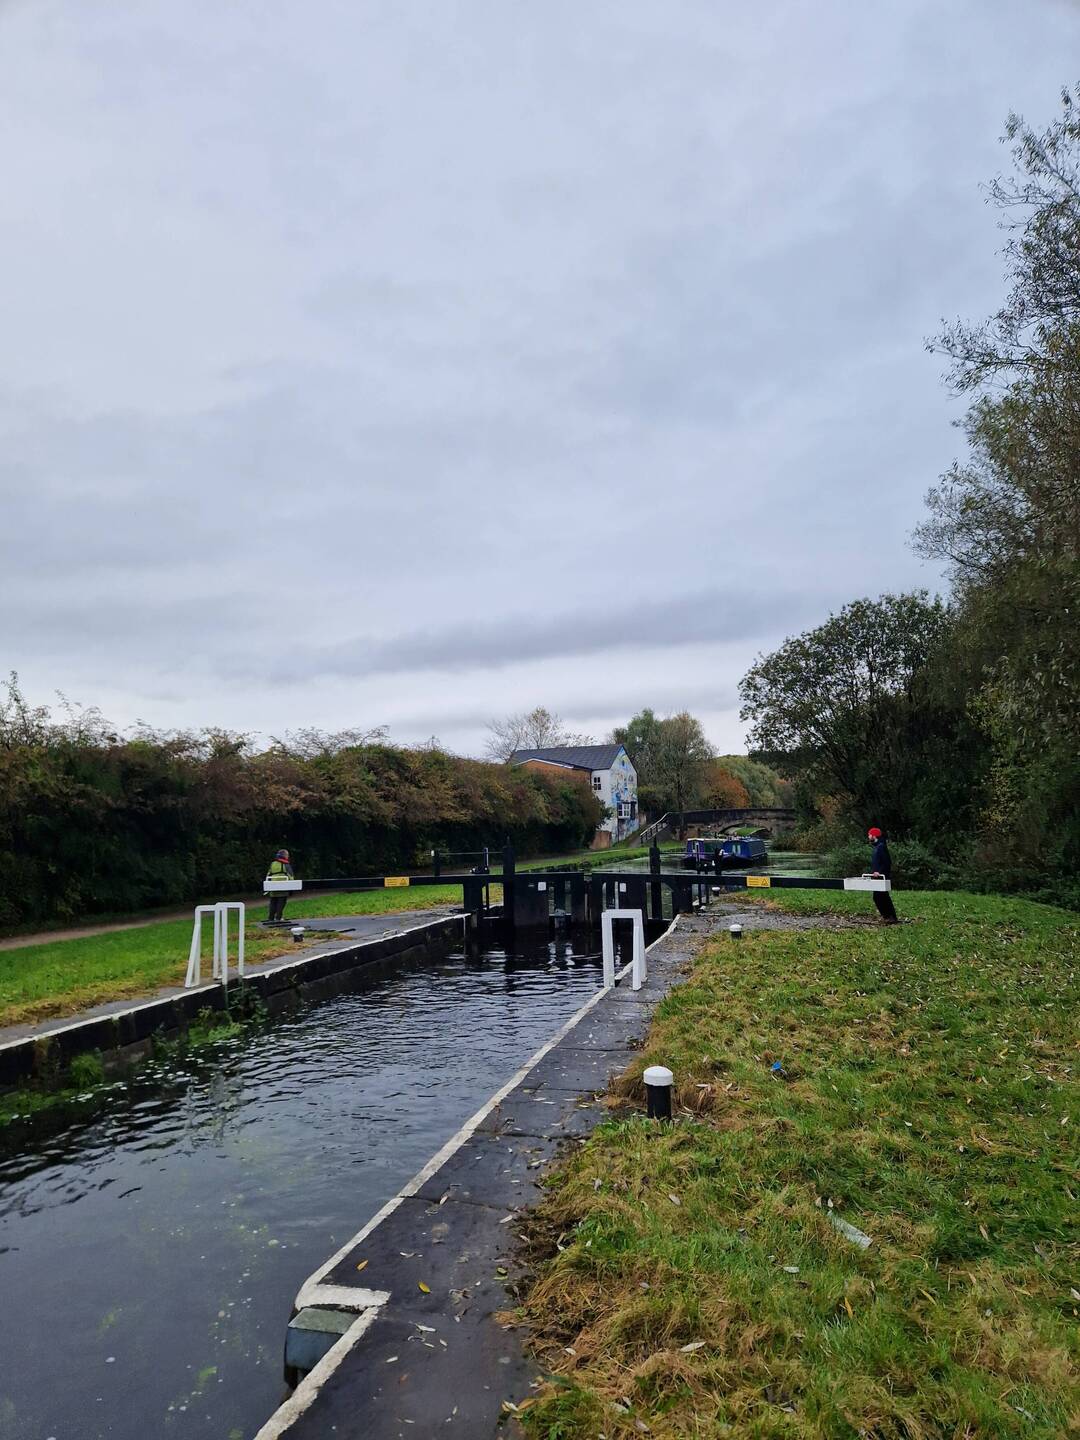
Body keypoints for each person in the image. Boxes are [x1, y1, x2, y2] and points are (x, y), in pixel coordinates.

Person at [867, 827, 899, 924]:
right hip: (878, 877)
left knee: (881, 896)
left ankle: (890, 916)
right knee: (880, 896)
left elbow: (887, 862)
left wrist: (879, 872)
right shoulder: (878, 846)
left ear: (874, 836)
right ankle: (888, 916)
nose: (868, 836)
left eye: (869, 835)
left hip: (881, 877)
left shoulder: (881, 847)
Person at [265, 848, 294, 923]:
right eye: (287, 855)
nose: (288, 856)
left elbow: (268, 874)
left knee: (273, 902)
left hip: (273, 886)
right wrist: (292, 887)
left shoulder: (272, 864)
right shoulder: (286, 864)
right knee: (281, 902)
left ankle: (271, 918)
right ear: (284, 856)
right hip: (283, 886)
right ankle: (278, 917)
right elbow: (290, 876)